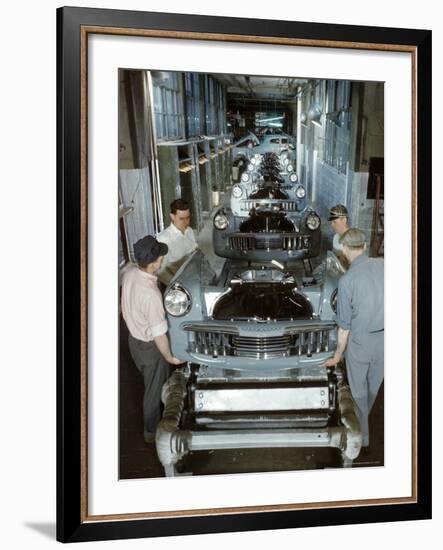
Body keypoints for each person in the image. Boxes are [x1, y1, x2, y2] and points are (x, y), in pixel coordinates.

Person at [323, 228, 384, 449]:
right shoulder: (385, 266)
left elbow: (344, 327)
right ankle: (363, 424)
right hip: (386, 341)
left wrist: (337, 355)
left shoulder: (347, 280)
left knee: (358, 393)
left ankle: (362, 439)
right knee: (373, 389)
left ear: (344, 249)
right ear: (365, 246)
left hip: (361, 343)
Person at [121, 235, 183, 443]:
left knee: (150, 384)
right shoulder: (151, 295)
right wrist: (170, 357)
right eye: (160, 257)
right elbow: (159, 334)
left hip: (134, 342)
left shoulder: (129, 272)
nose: (162, 260)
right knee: (153, 391)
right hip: (150, 349)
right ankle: (150, 433)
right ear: (155, 261)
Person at [156, 199, 198, 286]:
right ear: (172, 216)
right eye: (181, 218)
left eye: (188, 218)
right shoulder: (163, 239)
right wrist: (177, 286)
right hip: (175, 285)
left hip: (191, 278)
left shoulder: (189, 231)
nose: (185, 222)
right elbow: (160, 272)